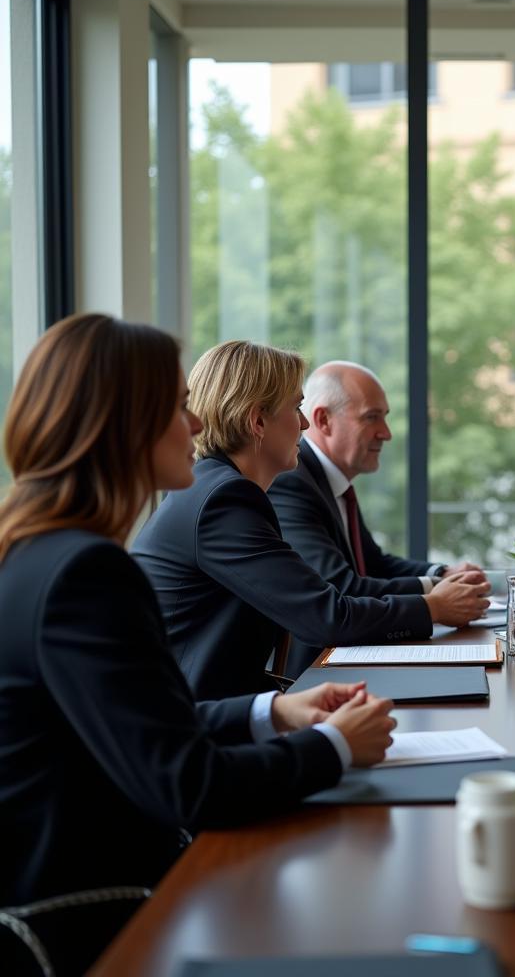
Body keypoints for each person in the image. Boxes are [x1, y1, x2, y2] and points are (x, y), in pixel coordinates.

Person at [0, 315, 396, 972]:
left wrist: (272, 712)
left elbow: (132, 731)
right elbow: (191, 786)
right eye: (179, 408)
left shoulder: (37, 552)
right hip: (99, 915)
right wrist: (333, 746)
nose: (194, 425)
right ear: (123, 425)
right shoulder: (86, 573)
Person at [132, 341, 489, 701]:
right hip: (201, 727)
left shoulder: (218, 488)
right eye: (295, 407)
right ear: (257, 421)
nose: (303, 423)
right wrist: (434, 607)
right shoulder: (224, 500)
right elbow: (326, 616)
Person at [269, 361, 489, 677]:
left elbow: (374, 563)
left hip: (351, 657)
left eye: (384, 418)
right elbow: (342, 586)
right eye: (371, 417)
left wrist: (443, 572)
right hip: (316, 673)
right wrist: (437, 596)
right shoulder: (293, 483)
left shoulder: (330, 483)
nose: (385, 433)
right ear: (324, 420)